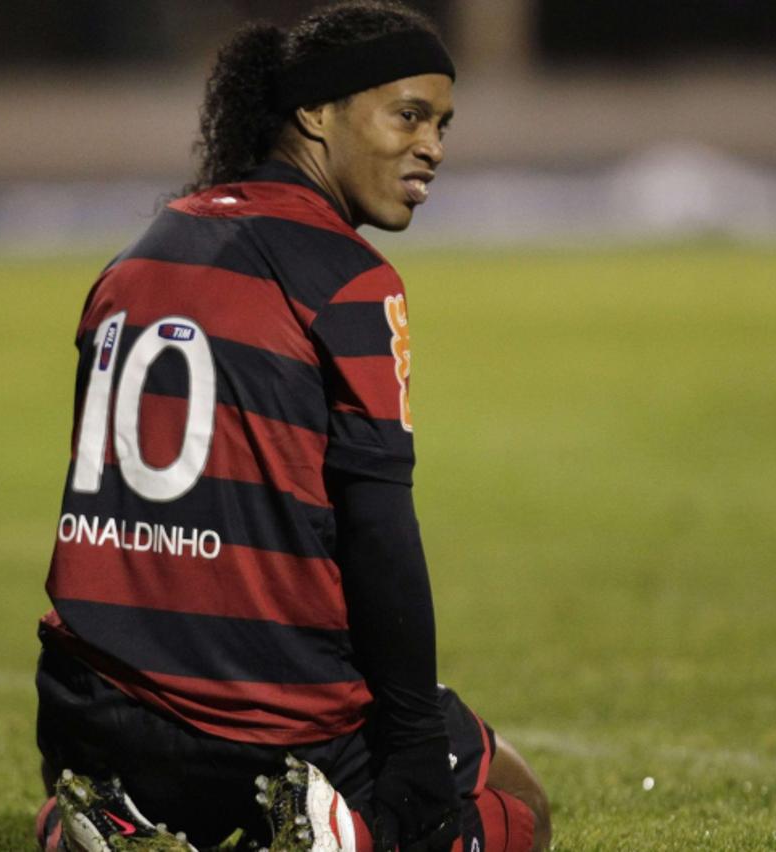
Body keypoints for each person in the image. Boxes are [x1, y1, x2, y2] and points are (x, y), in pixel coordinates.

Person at [32, 3, 552, 851]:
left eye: (444, 123)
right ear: (316, 114)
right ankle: (340, 839)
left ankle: (98, 823)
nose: (434, 148)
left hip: (89, 711)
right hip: (263, 723)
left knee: (91, 799)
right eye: (409, 115)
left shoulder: (135, 258)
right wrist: (416, 746)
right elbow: (378, 532)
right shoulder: (346, 279)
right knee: (518, 807)